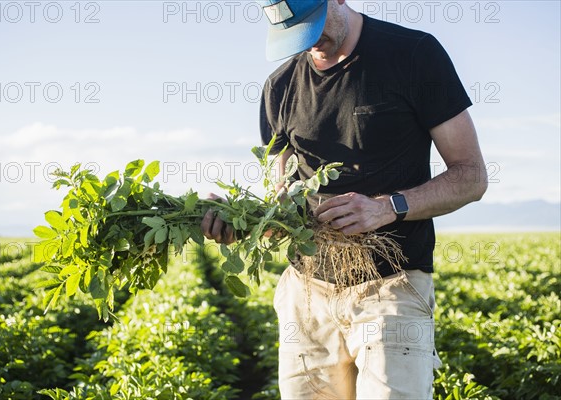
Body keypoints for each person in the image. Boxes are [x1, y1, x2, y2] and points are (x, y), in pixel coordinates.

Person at [202, 0, 488, 398]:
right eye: (294, 34)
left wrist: (386, 207)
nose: (309, 42)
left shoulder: (413, 55)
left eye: (311, 25)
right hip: (306, 296)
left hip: (392, 289)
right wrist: (244, 223)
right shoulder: (279, 88)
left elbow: (471, 176)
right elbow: (281, 202)